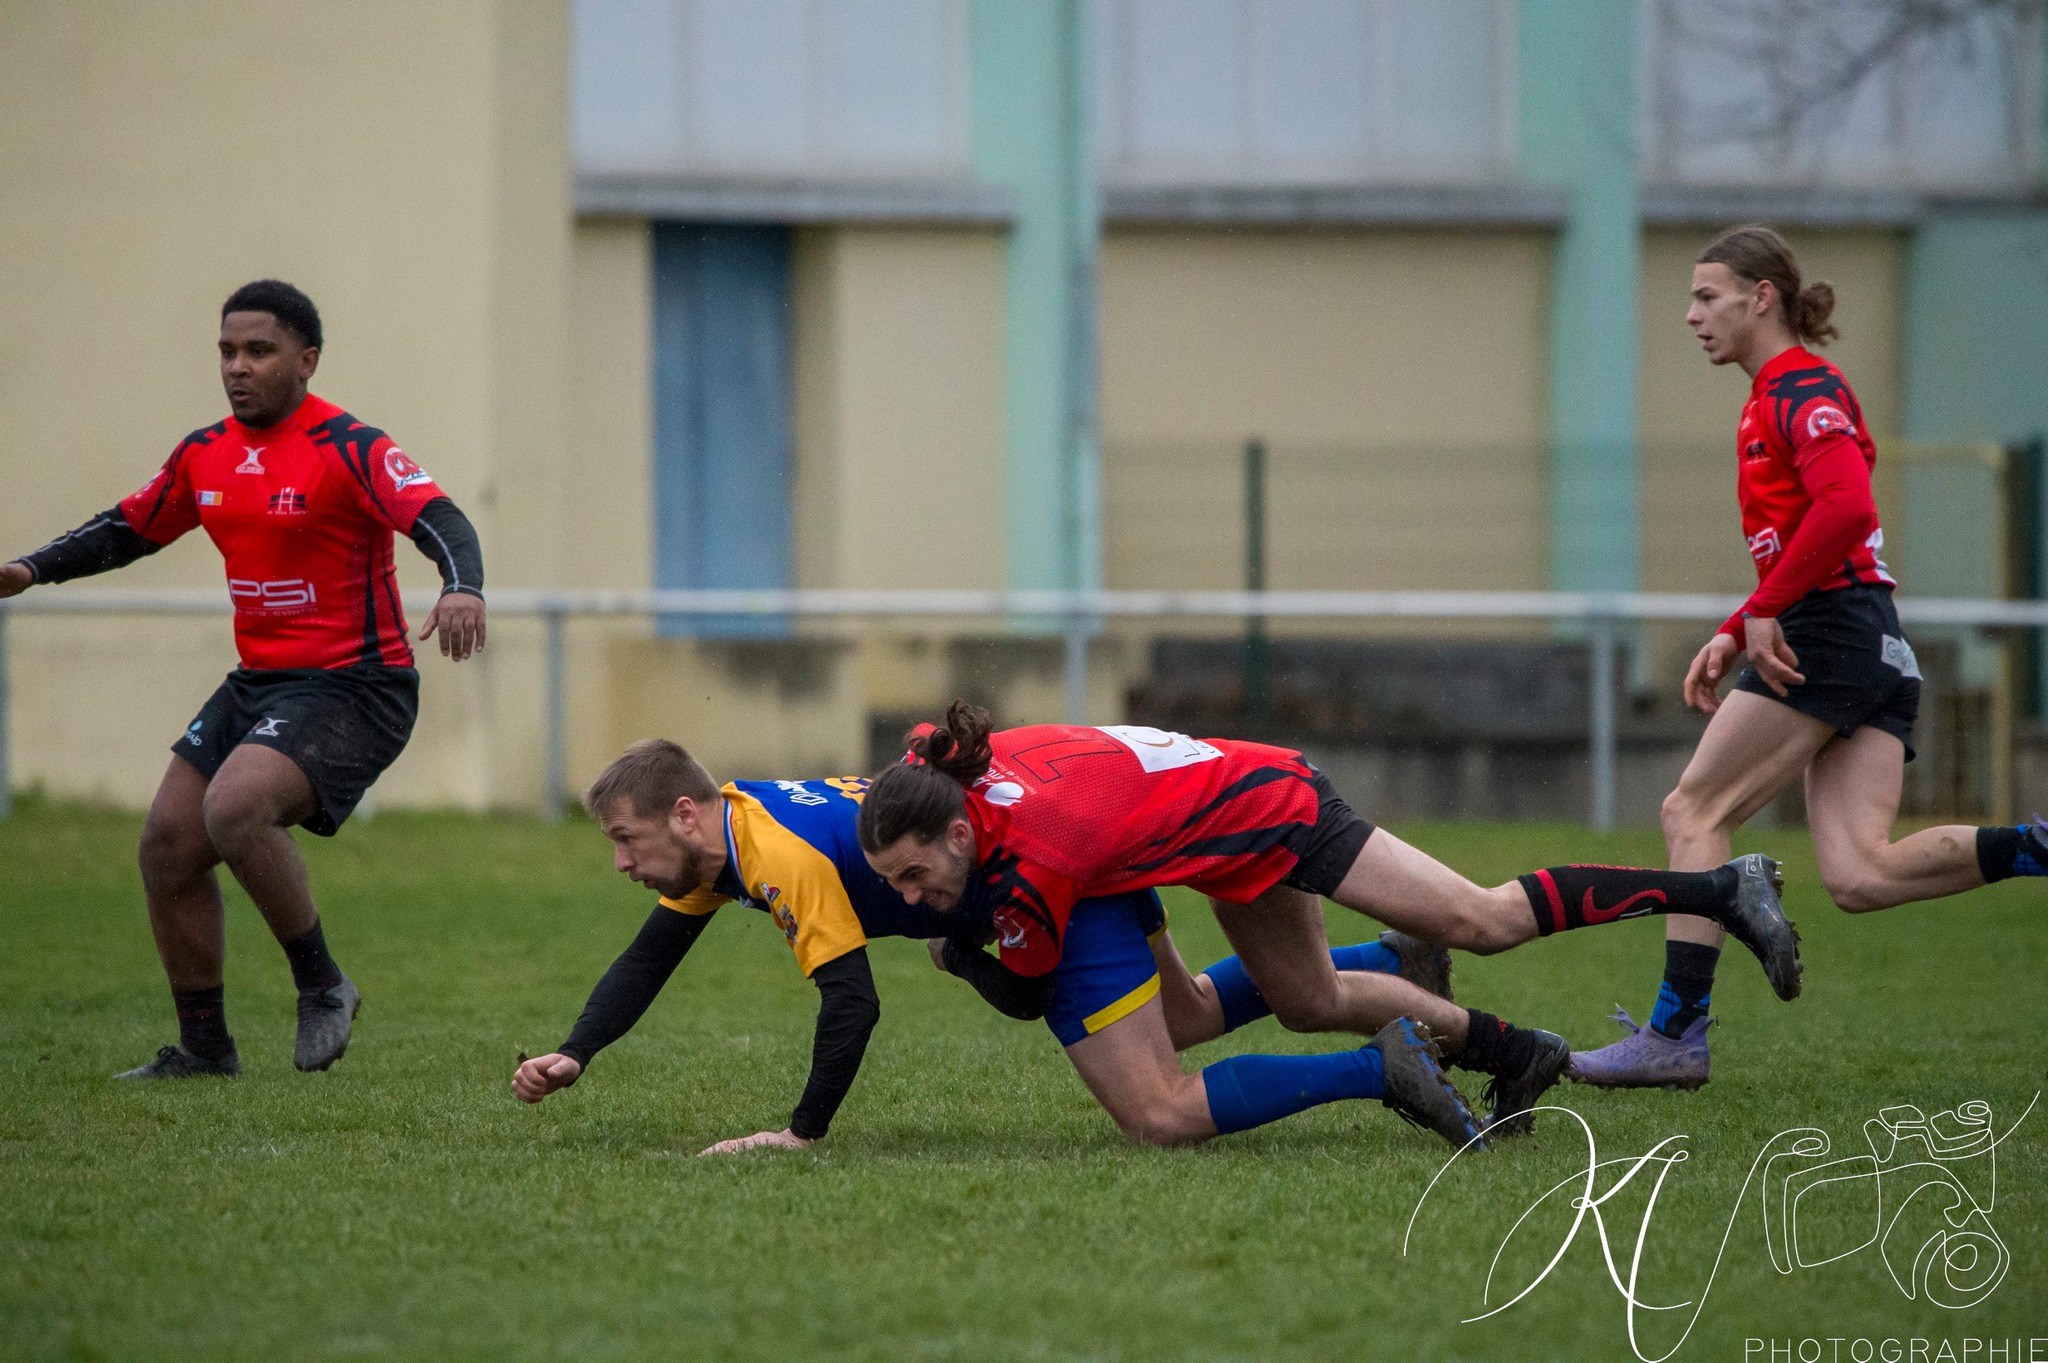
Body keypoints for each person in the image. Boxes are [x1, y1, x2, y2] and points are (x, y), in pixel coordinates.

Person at [511, 739, 1554, 1152]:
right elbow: (650, 953)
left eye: (625, 839)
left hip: (1048, 886)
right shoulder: (732, 833)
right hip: (1063, 862)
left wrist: (801, 1134)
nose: (620, 861)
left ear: (686, 815)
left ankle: (1373, 1064)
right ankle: (1379, 971)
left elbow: (852, 1004)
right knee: (1185, 1013)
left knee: (1155, 1112)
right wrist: (578, 1049)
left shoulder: (777, 859)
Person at [1570, 224, 2046, 1090]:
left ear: (1762, 298)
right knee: (1860, 873)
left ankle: (1675, 1032)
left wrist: (1765, 610)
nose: (1690, 316)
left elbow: (1847, 509)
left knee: (1694, 810)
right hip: (1865, 632)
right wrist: (1736, 622)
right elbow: (1817, 532)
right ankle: (2036, 846)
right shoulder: (1770, 397)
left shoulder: (1801, 386)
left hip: (1832, 631)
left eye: (1707, 296)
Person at [0, 280, 486, 1079]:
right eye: (227, 351)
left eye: (258, 351)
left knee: (236, 806)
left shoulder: (350, 446)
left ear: (307, 359)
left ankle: (323, 984)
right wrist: (30, 568)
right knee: (166, 845)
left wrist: (462, 584)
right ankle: (204, 1048)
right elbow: (130, 526)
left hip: (357, 685)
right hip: (258, 682)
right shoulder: (206, 452)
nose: (238, 366)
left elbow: (441, 517)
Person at [854, 707, 1802, 1073]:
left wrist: (959, 951)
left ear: (960, 830)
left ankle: (1722, 884)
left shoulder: (1039, 854)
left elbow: (1029, 992)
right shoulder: (947, 769)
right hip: (1223, 845)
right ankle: (1514, 1054)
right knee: (1308, 1002)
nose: (914, 893)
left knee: (1483, 917)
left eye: (916, 876)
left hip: (1271, 808)